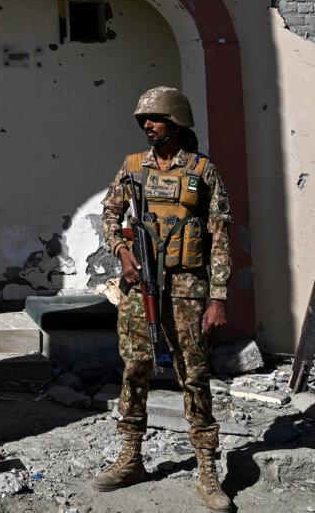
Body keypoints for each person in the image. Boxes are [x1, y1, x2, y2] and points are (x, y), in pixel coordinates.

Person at [92, 86, 233, 512]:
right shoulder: (133, 169)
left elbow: (221, 235)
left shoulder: (202, 172)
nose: (146, 127)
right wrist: (121, 252)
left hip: (189, 288)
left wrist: (218, 297)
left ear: (175, 122)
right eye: (143, 121)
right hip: (140, 289)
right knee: (135, 368)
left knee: (193, 374)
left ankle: (208, 469)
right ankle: (131, 457)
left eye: (153, 119)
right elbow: (109, 214)